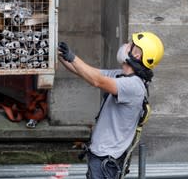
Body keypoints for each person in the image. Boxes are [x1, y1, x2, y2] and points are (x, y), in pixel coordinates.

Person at [58, 31, 164, 179]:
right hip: (100, 157)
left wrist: (73, 57)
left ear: (137, 55)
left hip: (106, 162)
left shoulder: (133, 86)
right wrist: (60, 54)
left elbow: (97, 81)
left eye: (129, 44)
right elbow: (86, 73)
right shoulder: (120, 75)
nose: (125, 45)